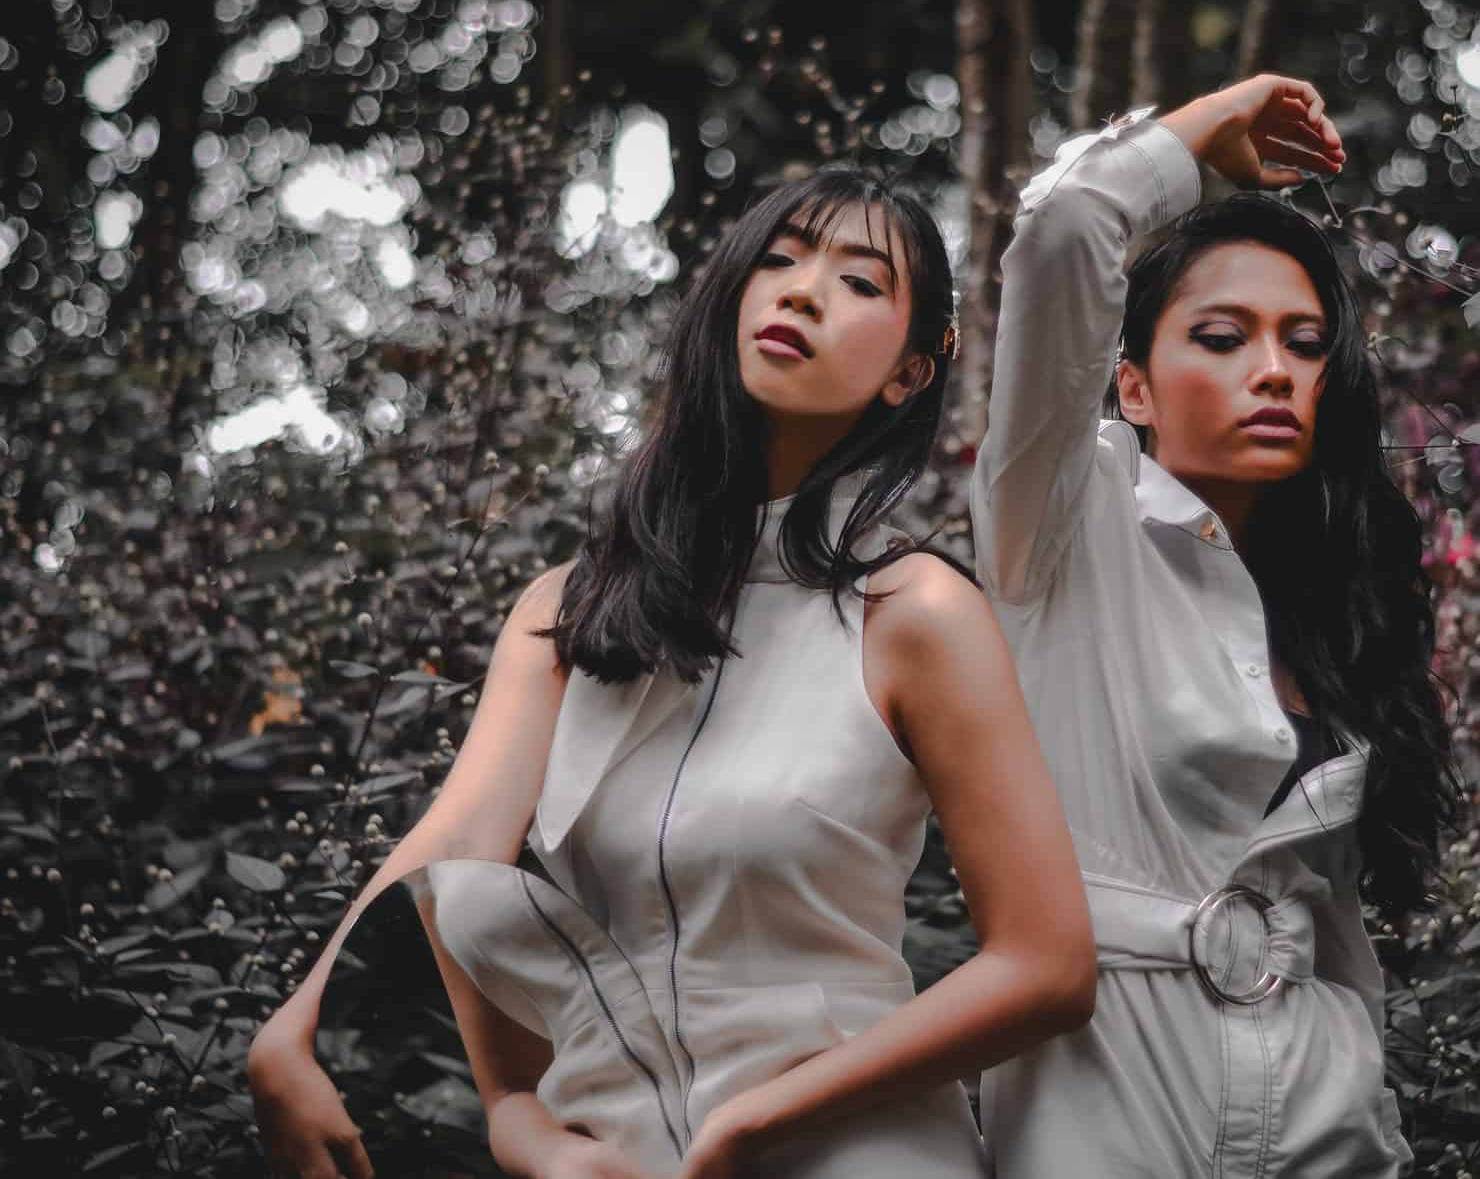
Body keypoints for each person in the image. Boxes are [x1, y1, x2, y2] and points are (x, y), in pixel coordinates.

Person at [249, 167, 1096, 1179]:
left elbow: (1047, 963)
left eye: (860, 281)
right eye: (778, 260)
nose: (802, 289)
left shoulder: (915, 611)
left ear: (910, 374)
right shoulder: (566, 615)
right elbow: (452, 867)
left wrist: (753, 1120)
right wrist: (479, 1100)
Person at [969, 73, 1461, 1177]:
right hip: (1103, 1114)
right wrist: (1208, 133)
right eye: (1225, 337)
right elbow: (1063, 229)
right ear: (1132, 387)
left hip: (1330, 1127)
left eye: (1303, 341)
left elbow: (1334, 931)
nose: (1275, 369)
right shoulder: (1056, 530)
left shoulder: (1341, 599)